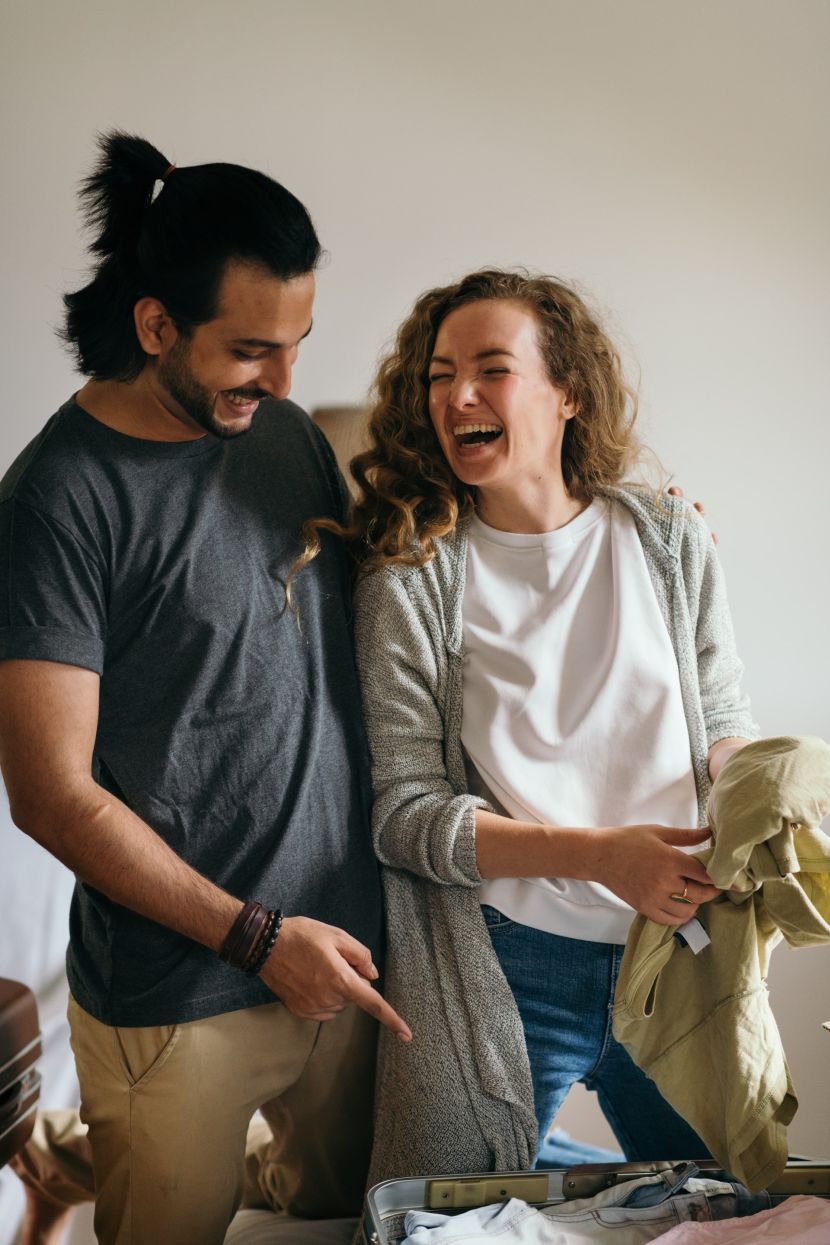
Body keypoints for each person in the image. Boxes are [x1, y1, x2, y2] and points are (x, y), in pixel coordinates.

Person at [0, 131, 410, 1245]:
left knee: (339, 1231)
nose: (282, 382)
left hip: (349, 959)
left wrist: (622, 535)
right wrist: (256, 938)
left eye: (296, 345)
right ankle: (63, 1165)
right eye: (250, 351)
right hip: (181, 993)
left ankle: (64, 1161)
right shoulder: (55, 501)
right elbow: (48, 792)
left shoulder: (283, 436)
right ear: (154, 326)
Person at [298, 268, 758, 1183]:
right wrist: (601, 855)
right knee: (443, 1212)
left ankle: (572, 1180)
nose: (457, 395)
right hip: (505, 968)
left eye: (491, 368)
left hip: (680, 954)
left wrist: (764, 787)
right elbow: (405, 816)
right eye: (438, 374)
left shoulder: (671, 541)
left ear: (568, 392)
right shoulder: (410, 581)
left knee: (728, 1211)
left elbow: (723, 728)